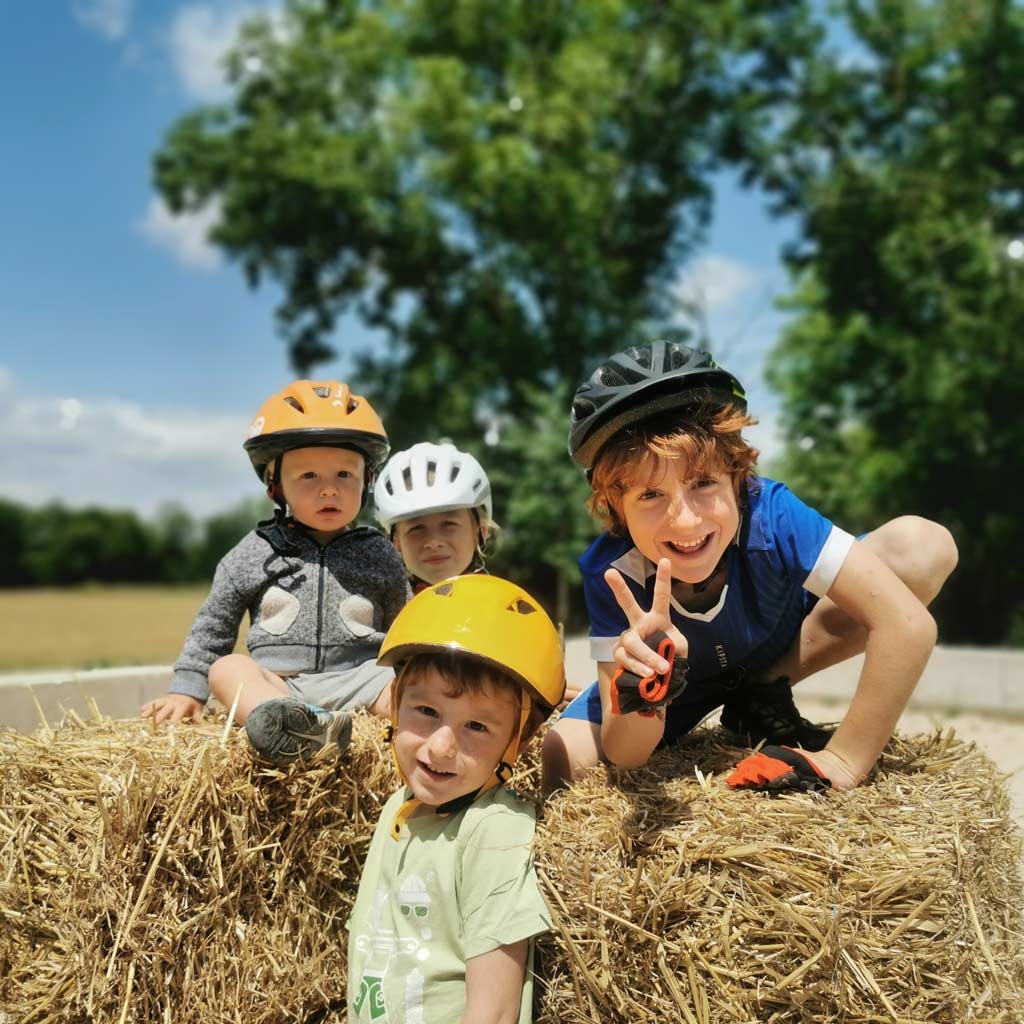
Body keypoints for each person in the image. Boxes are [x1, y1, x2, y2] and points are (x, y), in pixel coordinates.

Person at [541, 341, 958, 794]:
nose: (685, 520)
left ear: (739, 478)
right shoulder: (611, 573)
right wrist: (649, 688)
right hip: (684, 689)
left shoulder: (772, 513)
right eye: (649, 495)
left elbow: (908, 625)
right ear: (616, 511)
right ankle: (732, 694)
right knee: (566, 757)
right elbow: (627, 756)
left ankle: (759, 692)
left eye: (703, 483)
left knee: (922, 547)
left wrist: (844, 759)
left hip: (772, 649)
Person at [140, 380, 410, 764]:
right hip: (280, 684)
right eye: (309, 477)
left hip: (362, 679)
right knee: (228, 668)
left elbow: (406, 625)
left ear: (367, 481)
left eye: (344, 475)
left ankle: (348, 723)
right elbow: (214, 624)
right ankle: (296, 725)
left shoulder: (379, 552)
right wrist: (187, 689)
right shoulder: (254, 551)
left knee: (411, 689)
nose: (329, 490)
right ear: (274, 486)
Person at [347, 573, 565, 1024]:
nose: (441, 747)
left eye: (477, 727)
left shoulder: (492, 830)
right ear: (395, 702)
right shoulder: (398, 806)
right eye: (427, 712)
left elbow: (496, 1011)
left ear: (517, 743)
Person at [373, 441, 495, 590]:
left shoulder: (511, 608)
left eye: (449, 524)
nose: (433, 542)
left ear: (480, 531)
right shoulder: (380, 610)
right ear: (396, 543)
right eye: (416, 528)